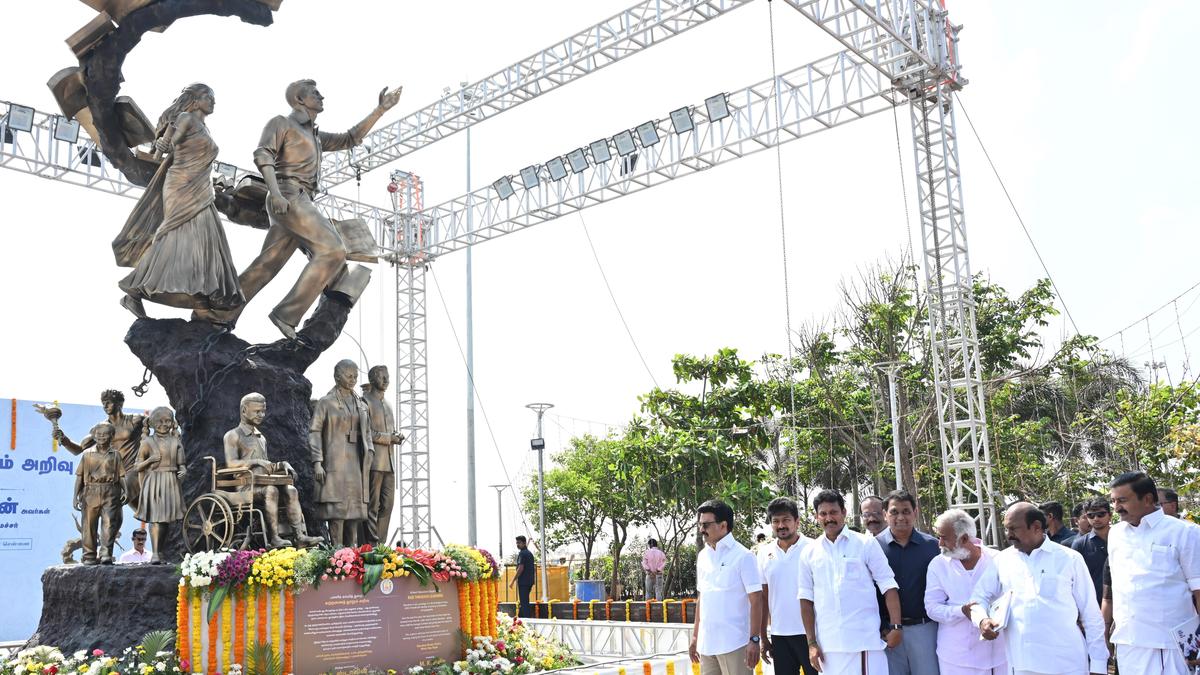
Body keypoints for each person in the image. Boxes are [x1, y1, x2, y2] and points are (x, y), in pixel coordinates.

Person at [199, 80, 402, 337]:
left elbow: (351, 138)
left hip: (298, 199)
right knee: (333, 250)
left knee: (267, 264)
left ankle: (219, 313)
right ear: (300, 99)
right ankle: (287, 314)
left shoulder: (315, 136)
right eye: (316, 93)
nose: (322, 96)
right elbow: (263, 155)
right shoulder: (282, 123)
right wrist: (274, 193)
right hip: (289, 195)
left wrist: (380, 110)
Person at [113, 83, 242, 319]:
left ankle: (202, 304)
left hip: (201, 189)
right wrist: (163, 143)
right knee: (178, 238)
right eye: (208, 96)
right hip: (181, 185)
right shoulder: (186, 118)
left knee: (205, 242)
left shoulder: (205, 128)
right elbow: (170, 143)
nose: (213, 101)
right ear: (195, 100)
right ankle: (133, 292)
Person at [969, 502, 1107, 675]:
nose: (1008, 535)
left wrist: (1098, 664)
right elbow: (978, 597)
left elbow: (1091, 614)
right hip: (1021, 664)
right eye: (1006, 529)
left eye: (1014, 529)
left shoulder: (1069, 559)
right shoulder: (1002, 561)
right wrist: (982, 620)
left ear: (1036, 527)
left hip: (1067, 664)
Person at [1104, 471, 1200, 675]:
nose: (1116, 508)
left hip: (1170, 644)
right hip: (1128, 642)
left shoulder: (1185, 532)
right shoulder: (1116, 534)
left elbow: (1199, 590)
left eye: (1122, 500)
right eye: (1113, 501)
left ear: (1147, 499)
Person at [798, 489, 902, 675]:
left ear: (844, 512)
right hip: (828, 647)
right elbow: (805, 599)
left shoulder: (865, 544)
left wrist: (896, 626)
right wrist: (811, 643)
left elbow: (888, 586)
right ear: (817, 517)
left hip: (863, 643)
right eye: (823, 514)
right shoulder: (809, 552)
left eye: (833, 512)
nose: (829, 518)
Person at [224, 393, 322, 548]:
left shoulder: (261, 437)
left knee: (291, 490)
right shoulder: (233, 435)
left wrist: (282, 464)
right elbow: (231, 464)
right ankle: (275, 538)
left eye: (263, 411)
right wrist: (256, 461)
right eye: (257, 411)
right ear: (244, 411)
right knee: (271, 491)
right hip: (245, 486)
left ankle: (300, 536)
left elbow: (266, 465)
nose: (261, 415)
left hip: (263, 481)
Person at [924, 508, 1007, 675]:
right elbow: (932, 608)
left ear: (963, 538)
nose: (939, 543)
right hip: (957, 657)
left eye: (944, 538)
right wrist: (961, 611)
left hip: (999, 654)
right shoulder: (938, 564)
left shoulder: (998, 560)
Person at [688, 499, 763, 675]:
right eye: (700, 525)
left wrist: (754, 639)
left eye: (706, 524)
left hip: (735, 643)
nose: (701, 530)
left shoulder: (743, 556)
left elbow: (757, 599)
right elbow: (702, 598)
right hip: (707, 645)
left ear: (723, 525)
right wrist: (695, 637)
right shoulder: (703, 556)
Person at [310, 359, 375, 547]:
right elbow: (314, 432)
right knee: (336, 512)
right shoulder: (326, 402)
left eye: (355, 375)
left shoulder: (361, 405)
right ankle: (336, 553)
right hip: (334, 461)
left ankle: (352, 553)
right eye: (349, 375)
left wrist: (369, 452)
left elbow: (368, 433)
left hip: (356, 461)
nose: (353, 379)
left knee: (354, 512)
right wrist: (317, 461)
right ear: (337, 376)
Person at [877, 489, 941, 675]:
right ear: (885, 514)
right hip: (887, 632)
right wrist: (882, 626)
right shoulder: (873, 547)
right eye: (894, 512)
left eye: (906, 511)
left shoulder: (933, 547)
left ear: (915, 512)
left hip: (925, 630)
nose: (900, 517)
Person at [56, 389, 144, 513]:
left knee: (113, 500)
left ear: (119, 403)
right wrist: (64, 439)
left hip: (134, 471)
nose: (105, 406)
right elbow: (78, 449)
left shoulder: (135, 420)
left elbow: (158, 421)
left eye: (109, 402)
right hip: (115, 476)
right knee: (144, 511)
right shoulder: (100, 429)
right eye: (103, 403)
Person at [756, 497, 814, 675]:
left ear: (797, 522)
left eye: (786, 520)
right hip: (780, 634)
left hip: (812, 634)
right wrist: (763, 636)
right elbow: (763, 597)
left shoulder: (814, 547)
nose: (781, 525)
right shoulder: (764, 553)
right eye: (776, 521)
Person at [133, 406, 186, 563]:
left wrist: (183, 471)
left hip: (170, 482)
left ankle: (161, 551)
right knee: (156, 518)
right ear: (152, 423)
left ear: (172, 422)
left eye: (168, 421)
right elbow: (137, 466)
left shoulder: (176, 442)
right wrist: (149, 460)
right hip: (154, 482)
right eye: (160, 421)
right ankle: (155, 553)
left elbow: (182, 463)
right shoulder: (147, 442)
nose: (164, 424)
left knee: (166, 520)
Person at [361, 366, 404, 545]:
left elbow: (388, 430)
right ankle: (371, 544)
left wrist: (396, 435)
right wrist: (389, 438)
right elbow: (366, 433)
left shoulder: (387, 404)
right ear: (372, 379)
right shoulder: (365, 402)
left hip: (389, 462)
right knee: (372, 505)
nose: (386, 380)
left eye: (387, 376)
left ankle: (380, 545)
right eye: (381, 377)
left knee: (388, 505)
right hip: (374, 463)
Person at [73, 423, 126, 565]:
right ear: (94, 436)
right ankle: (89, 555)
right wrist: (75, 496)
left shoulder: (115, 455)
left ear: (111, 436)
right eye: (98, 434)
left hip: (111, 491)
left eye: (105, 434)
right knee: (88, 525)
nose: (101, 436)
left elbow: (121, 476)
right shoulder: (87, 454)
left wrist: (125, 490)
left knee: (109, 524)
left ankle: (106, 554)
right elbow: (79, 476)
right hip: (91, 491)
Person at [1070, 496, 1111, 603]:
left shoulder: (1123, 538)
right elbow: (1075, 580)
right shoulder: (1080, 544)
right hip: (1095, 604)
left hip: (1125, 602)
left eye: (1101, 514)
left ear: (1110, 515)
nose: (1096, 518)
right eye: (1091, 515)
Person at [510, 535, 537, 618]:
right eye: (517, 543)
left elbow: (520, 568)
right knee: (523, 602)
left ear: (524, 543)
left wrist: (513, 581)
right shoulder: (529, 554)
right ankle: (520, 619)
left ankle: (527, 622)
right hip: (529, 581)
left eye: (519, 543)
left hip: (524, 582)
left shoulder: (522, 554)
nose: (517, 544)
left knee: (524, 603)